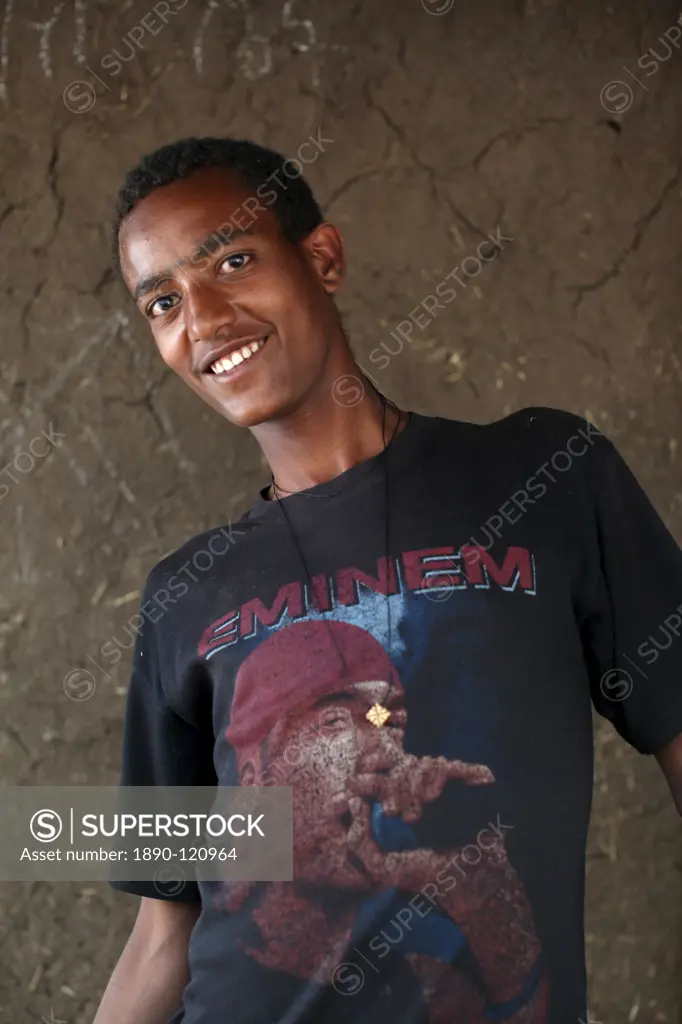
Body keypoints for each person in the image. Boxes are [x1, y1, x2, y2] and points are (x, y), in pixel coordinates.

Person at [94, 136, 682, 1024]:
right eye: (163, 301)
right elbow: (162, 929)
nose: (203, 317)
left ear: (322, 258)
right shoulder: (186, 594)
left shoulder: (546, 475)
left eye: (235, 260)